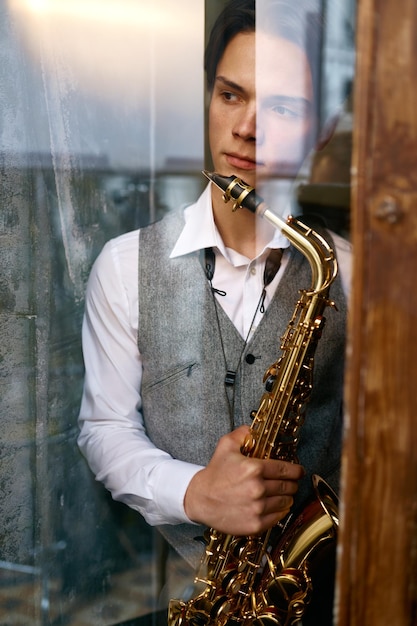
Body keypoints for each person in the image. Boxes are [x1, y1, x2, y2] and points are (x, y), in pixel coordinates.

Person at [78, 0, 351, 623]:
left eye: (282, 107)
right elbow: (104, 429)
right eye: (231, 96)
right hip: (177, 599)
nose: (247, 128)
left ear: (325, 129)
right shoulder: (123, 267)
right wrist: (195, 491)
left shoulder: (355, 273)